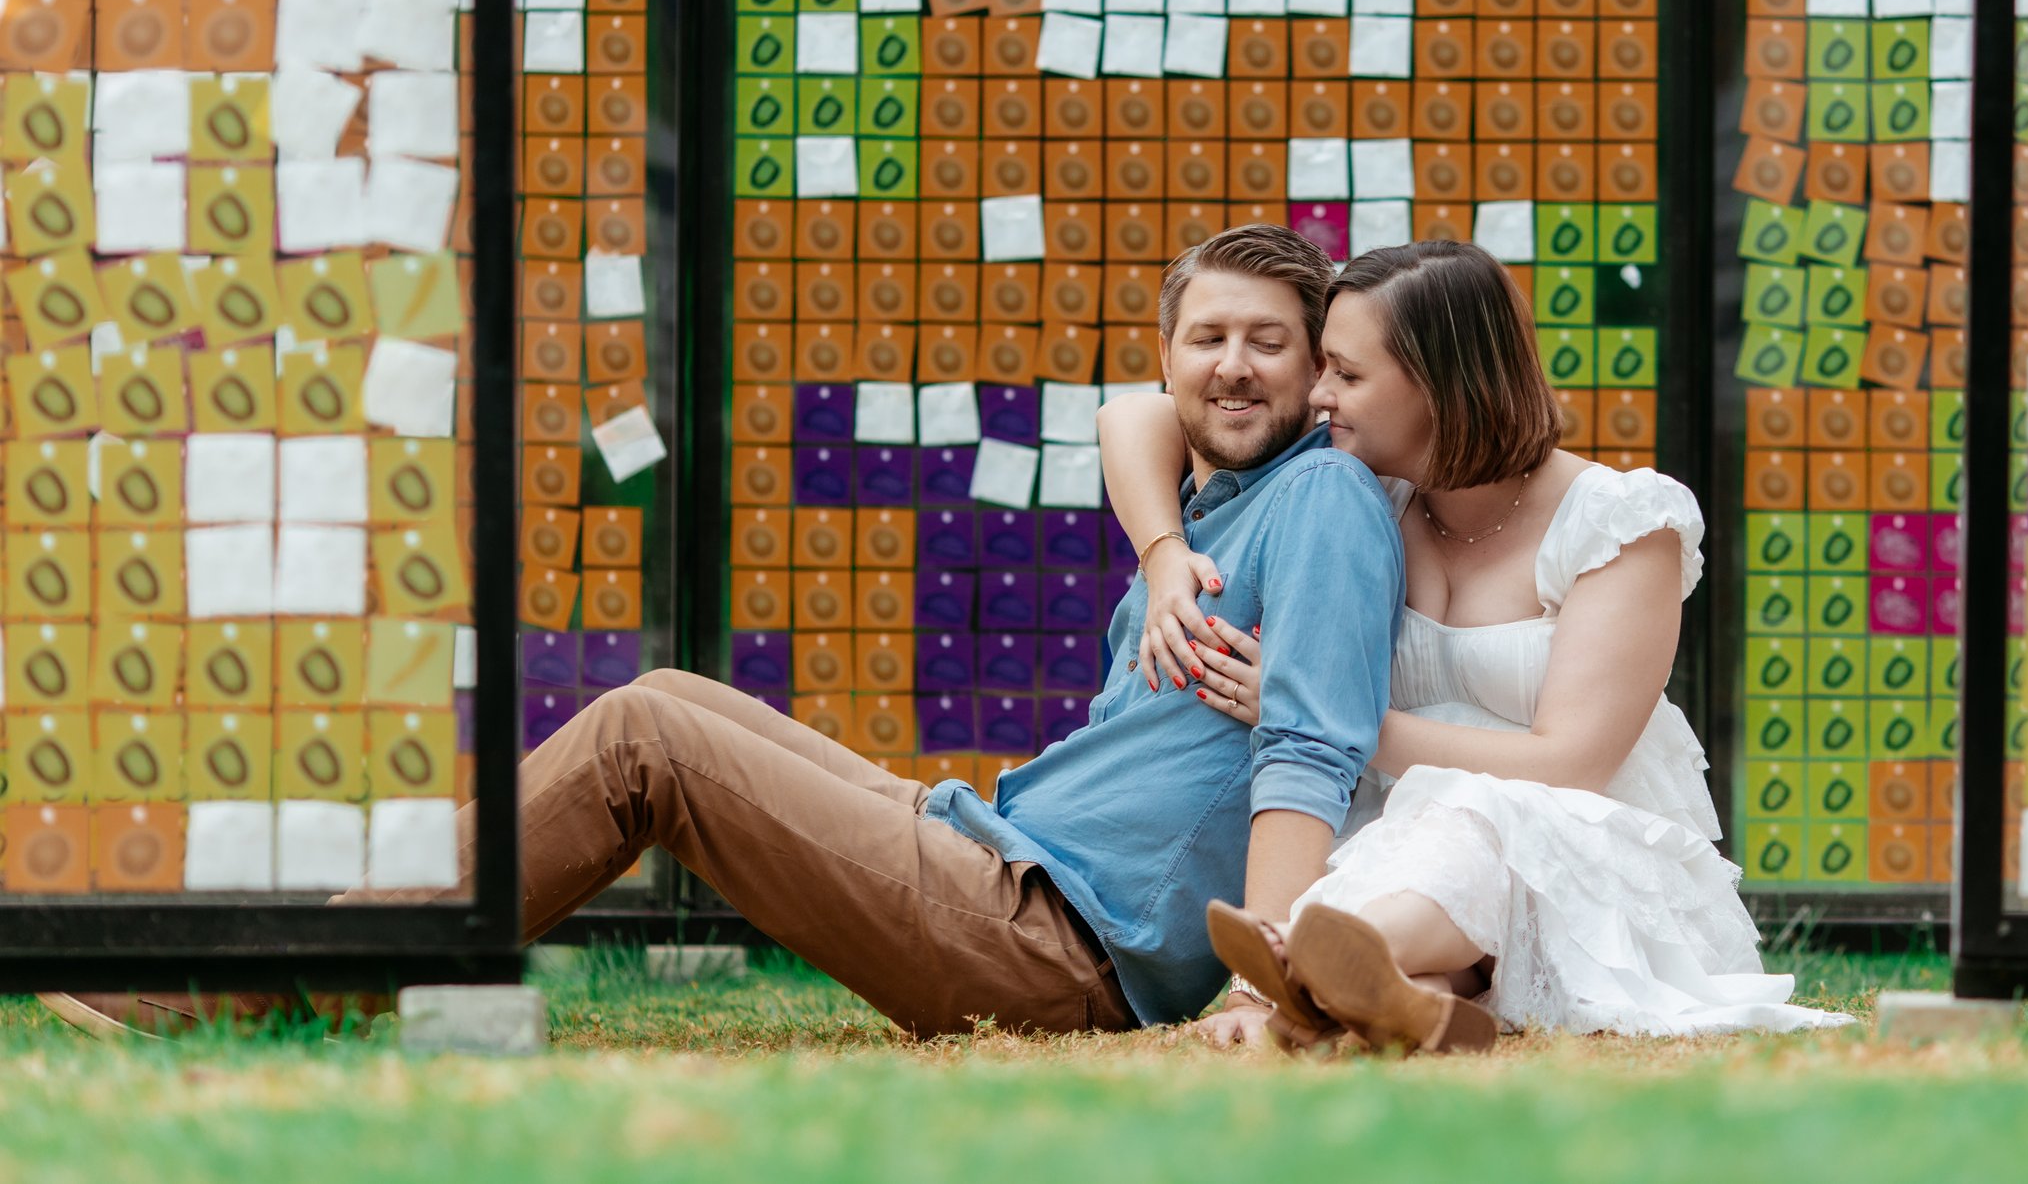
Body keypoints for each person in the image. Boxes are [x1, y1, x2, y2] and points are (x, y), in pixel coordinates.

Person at [44, 224, 1402, 1042]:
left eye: (1270, 343)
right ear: (1166, 356)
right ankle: (315, 956)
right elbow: (1133, 416)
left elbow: (1308, 745)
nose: (1233, 365)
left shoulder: (1323, 497)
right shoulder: (1211, 509)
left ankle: (284, 986)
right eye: (1207, 337)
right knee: (669, 689)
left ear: (1319, 373)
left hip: (1058, 940)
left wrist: (1259, 983)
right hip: (1001, 844)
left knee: (647, 735)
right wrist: (1158, 550)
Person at [1101, 240, 1851, 1051]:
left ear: (1438, 384)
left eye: (1345, 373)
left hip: (1571, 856)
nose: (1318, 393)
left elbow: (1570, 763)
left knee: (1476, 817)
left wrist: (1316, 710)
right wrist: (1163, 551)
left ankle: (1314, 956)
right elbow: (1136, 415)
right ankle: (1394, 996)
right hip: (1402, 846)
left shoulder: (1622, 523)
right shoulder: (1368, 485)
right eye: (1321, 367)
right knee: (1416, 858)